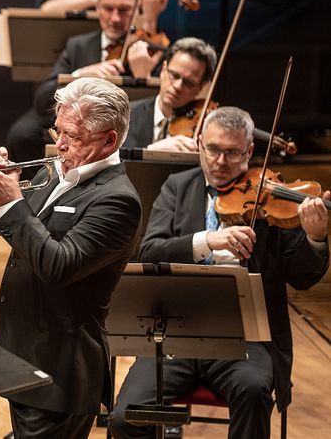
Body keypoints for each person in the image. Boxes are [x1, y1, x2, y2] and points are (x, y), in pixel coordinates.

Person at [109, 107, 330, 439]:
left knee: (254, 391)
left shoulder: (270, 197)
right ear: (199, 143)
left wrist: (315, 237)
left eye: (232, 153)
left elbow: (301, 276)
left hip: (247, 340)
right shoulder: (178, 187)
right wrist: (206, 241)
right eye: (213, 149)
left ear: (249, 152)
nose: (220, 161)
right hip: (176, 335)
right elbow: (150, 251)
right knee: (125, 418)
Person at [0, 78, 142, 438]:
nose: (59, 144)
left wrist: (11, 203)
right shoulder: (52, 171)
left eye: (73, 136)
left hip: (60, 371)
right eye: (57, 130)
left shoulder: (117, 201)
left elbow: (58, 266)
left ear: (110, 139)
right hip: (21, 350)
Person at [7, 0, 166, 163]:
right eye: (108, 8)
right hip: (75, 123)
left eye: (124, 10)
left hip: (117, 129)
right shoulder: (78, 45)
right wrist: (79, 74)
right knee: (21, 135)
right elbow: (42, 100)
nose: (115, 19)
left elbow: (159, 106)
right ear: (98, 7)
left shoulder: (150, 48)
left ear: (136, 9)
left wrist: (144, 75)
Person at [122, 37, 217, 151]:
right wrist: (151, 151)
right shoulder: (126, 115)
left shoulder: (206, 127)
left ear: (200, 87)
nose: (177, 86)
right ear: (163, 69)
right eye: (174, 75)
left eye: (189, 82)